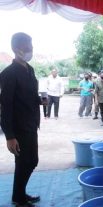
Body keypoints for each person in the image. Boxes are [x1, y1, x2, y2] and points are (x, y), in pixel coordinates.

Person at [0, 33, 44, 207]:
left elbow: (30, 94)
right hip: (19, 127)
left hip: (31, 123)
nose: (31, 50)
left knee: (29, 161)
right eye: (28, 47)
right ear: (17, 49)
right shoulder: (8, 74)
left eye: (31, 47)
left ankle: (19, 194)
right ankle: (18, 197)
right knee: (27, 160)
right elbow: (5, 107)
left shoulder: (30, 69)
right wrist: (9, 136)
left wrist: (40, 100)